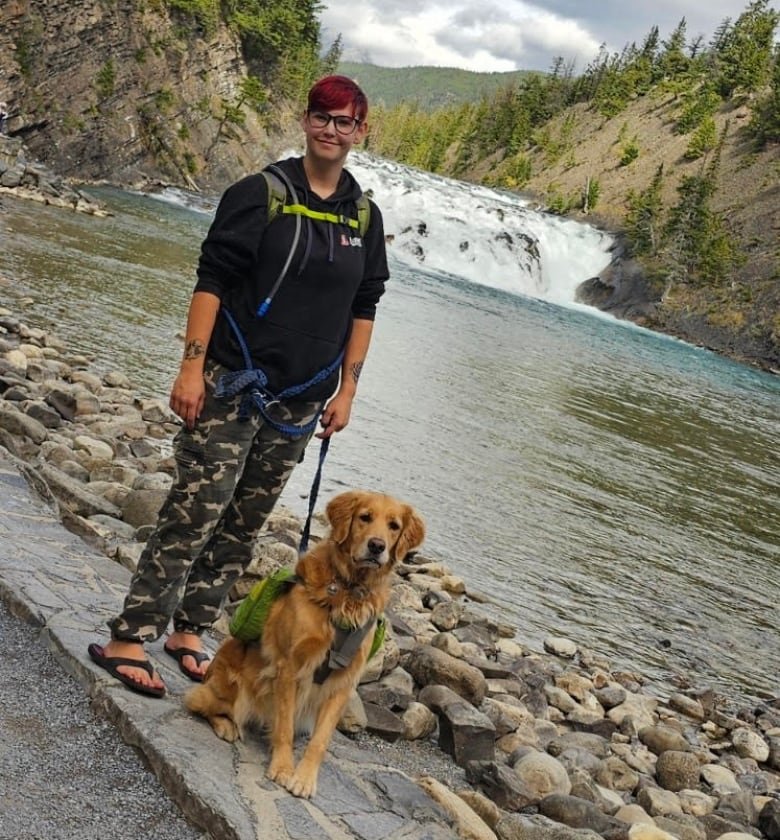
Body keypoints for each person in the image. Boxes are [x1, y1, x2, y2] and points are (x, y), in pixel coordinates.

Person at [88, 75, 389, 697]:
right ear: (306, 122)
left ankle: (191, 630)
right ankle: (130, 636)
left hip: (301, 402)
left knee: (244, 522)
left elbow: (366, 304)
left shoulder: (364, 215)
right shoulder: (259, 194)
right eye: (322, 117)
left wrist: (348, 391)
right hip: (232, 386)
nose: (333, 130)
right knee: (195, 510)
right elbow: (212, 280)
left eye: (346, 121)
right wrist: (191, 368)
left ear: (362, 131)